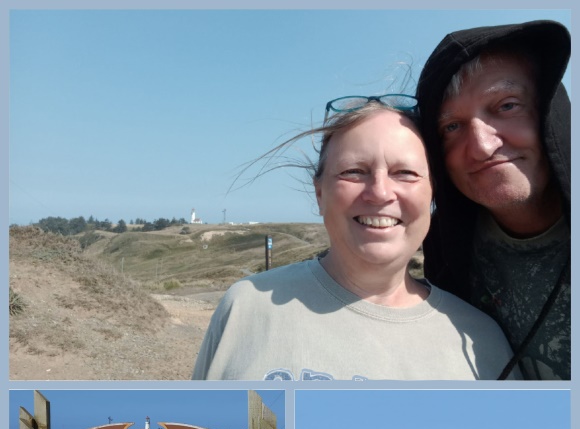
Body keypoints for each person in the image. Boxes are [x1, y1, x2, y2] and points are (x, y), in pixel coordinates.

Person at [192, 96, 520, 380]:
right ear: (320, 193)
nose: (379, 192)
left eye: (404, 173)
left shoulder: (483, 340)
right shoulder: (246, 306)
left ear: (432, 195)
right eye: (353, 171)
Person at [416, 20, 571, 380]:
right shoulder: (446, 247)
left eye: (506, 106)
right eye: (451, 127)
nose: (482, 146)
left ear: (550, 112)